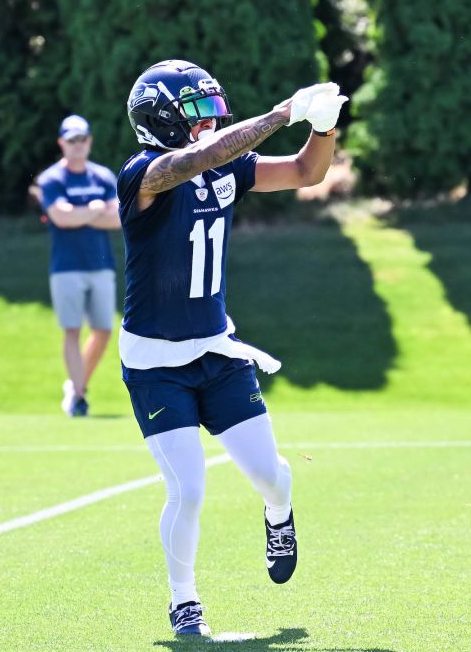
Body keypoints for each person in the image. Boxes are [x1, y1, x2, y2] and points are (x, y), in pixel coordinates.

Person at [114, 60, 346, 637]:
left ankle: (278, 515)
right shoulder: (143, 174)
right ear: (161, 119)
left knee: (273, 477)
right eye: (195, 111)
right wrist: (281, 113)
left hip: (217, 352)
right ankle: (184, 599)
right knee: (187, 488)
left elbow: (304, 173)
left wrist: (324, 127)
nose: (209, 121)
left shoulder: (223, 164)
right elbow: (197, 161)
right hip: (155, 364)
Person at [34, 115, 122, 417]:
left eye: (82, 139)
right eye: (71, 140)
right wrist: (95, 210)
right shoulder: (51, 180)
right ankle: (80, 396)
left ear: (89, 141)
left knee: (103, 330)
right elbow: (61, 218)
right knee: (72, 329)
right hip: (66, 267)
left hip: (100, 265)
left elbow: (118, 219)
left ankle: (75, 385)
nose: (77, 145)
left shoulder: (103, 177)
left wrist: (82, 213)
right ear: (62, 143)